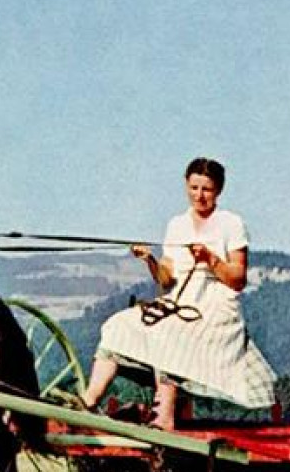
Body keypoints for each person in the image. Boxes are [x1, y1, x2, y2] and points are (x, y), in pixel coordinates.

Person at [81, 158, 276, 427]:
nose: (199, 195)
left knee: (173, 334)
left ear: (218, 190)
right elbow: (166, 278)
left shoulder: (231, 224)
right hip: (178, 301)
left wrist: (211, 259)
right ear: (186, 185)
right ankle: (87, 402)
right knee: (118, 325)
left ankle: (164, 417)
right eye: (194, 187)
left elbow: (239, 279)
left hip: (216, 308)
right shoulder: (177, 224)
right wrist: (150, 260)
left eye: (206, 189)